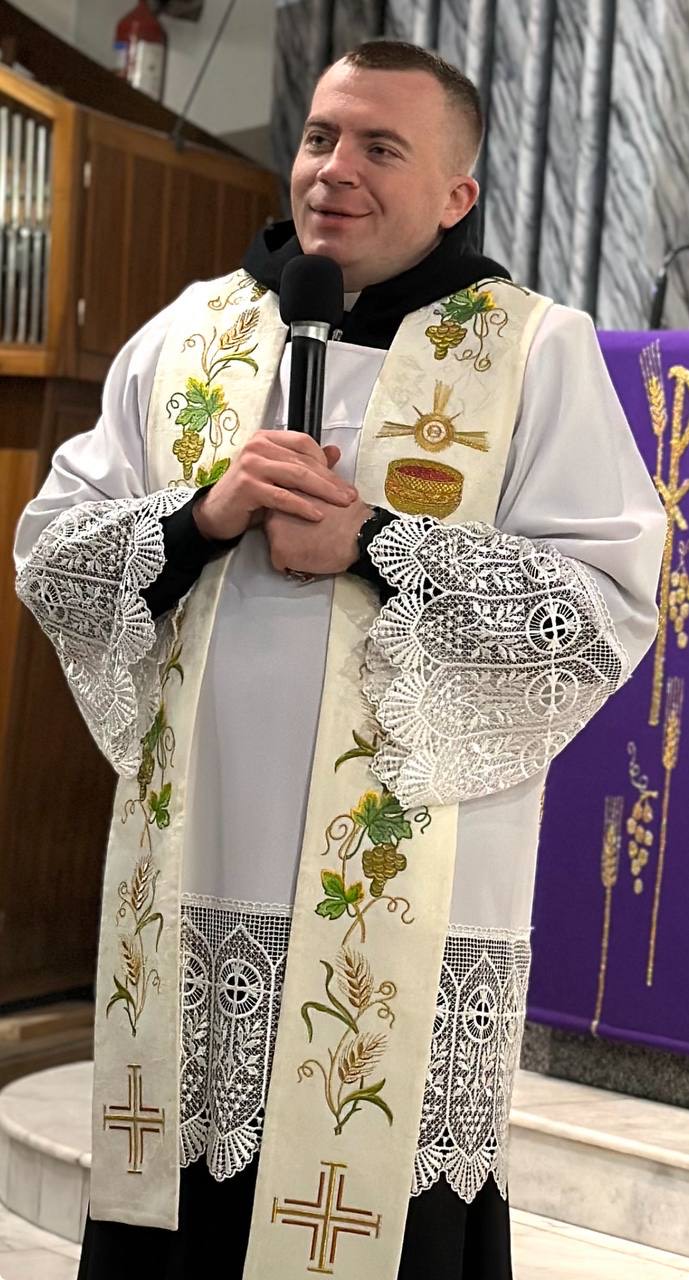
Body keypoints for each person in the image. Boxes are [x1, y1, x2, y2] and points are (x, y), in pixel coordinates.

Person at [14, 39, 664, 1280]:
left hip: (399, 905)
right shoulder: (193, 330)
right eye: (319, 137)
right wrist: (199, 518)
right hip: (193, 875)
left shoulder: (530, 349)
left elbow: (599, 603)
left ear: (455, 194)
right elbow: (52, 552)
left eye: (379, 146)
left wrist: (377, 541)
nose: (333, 170)